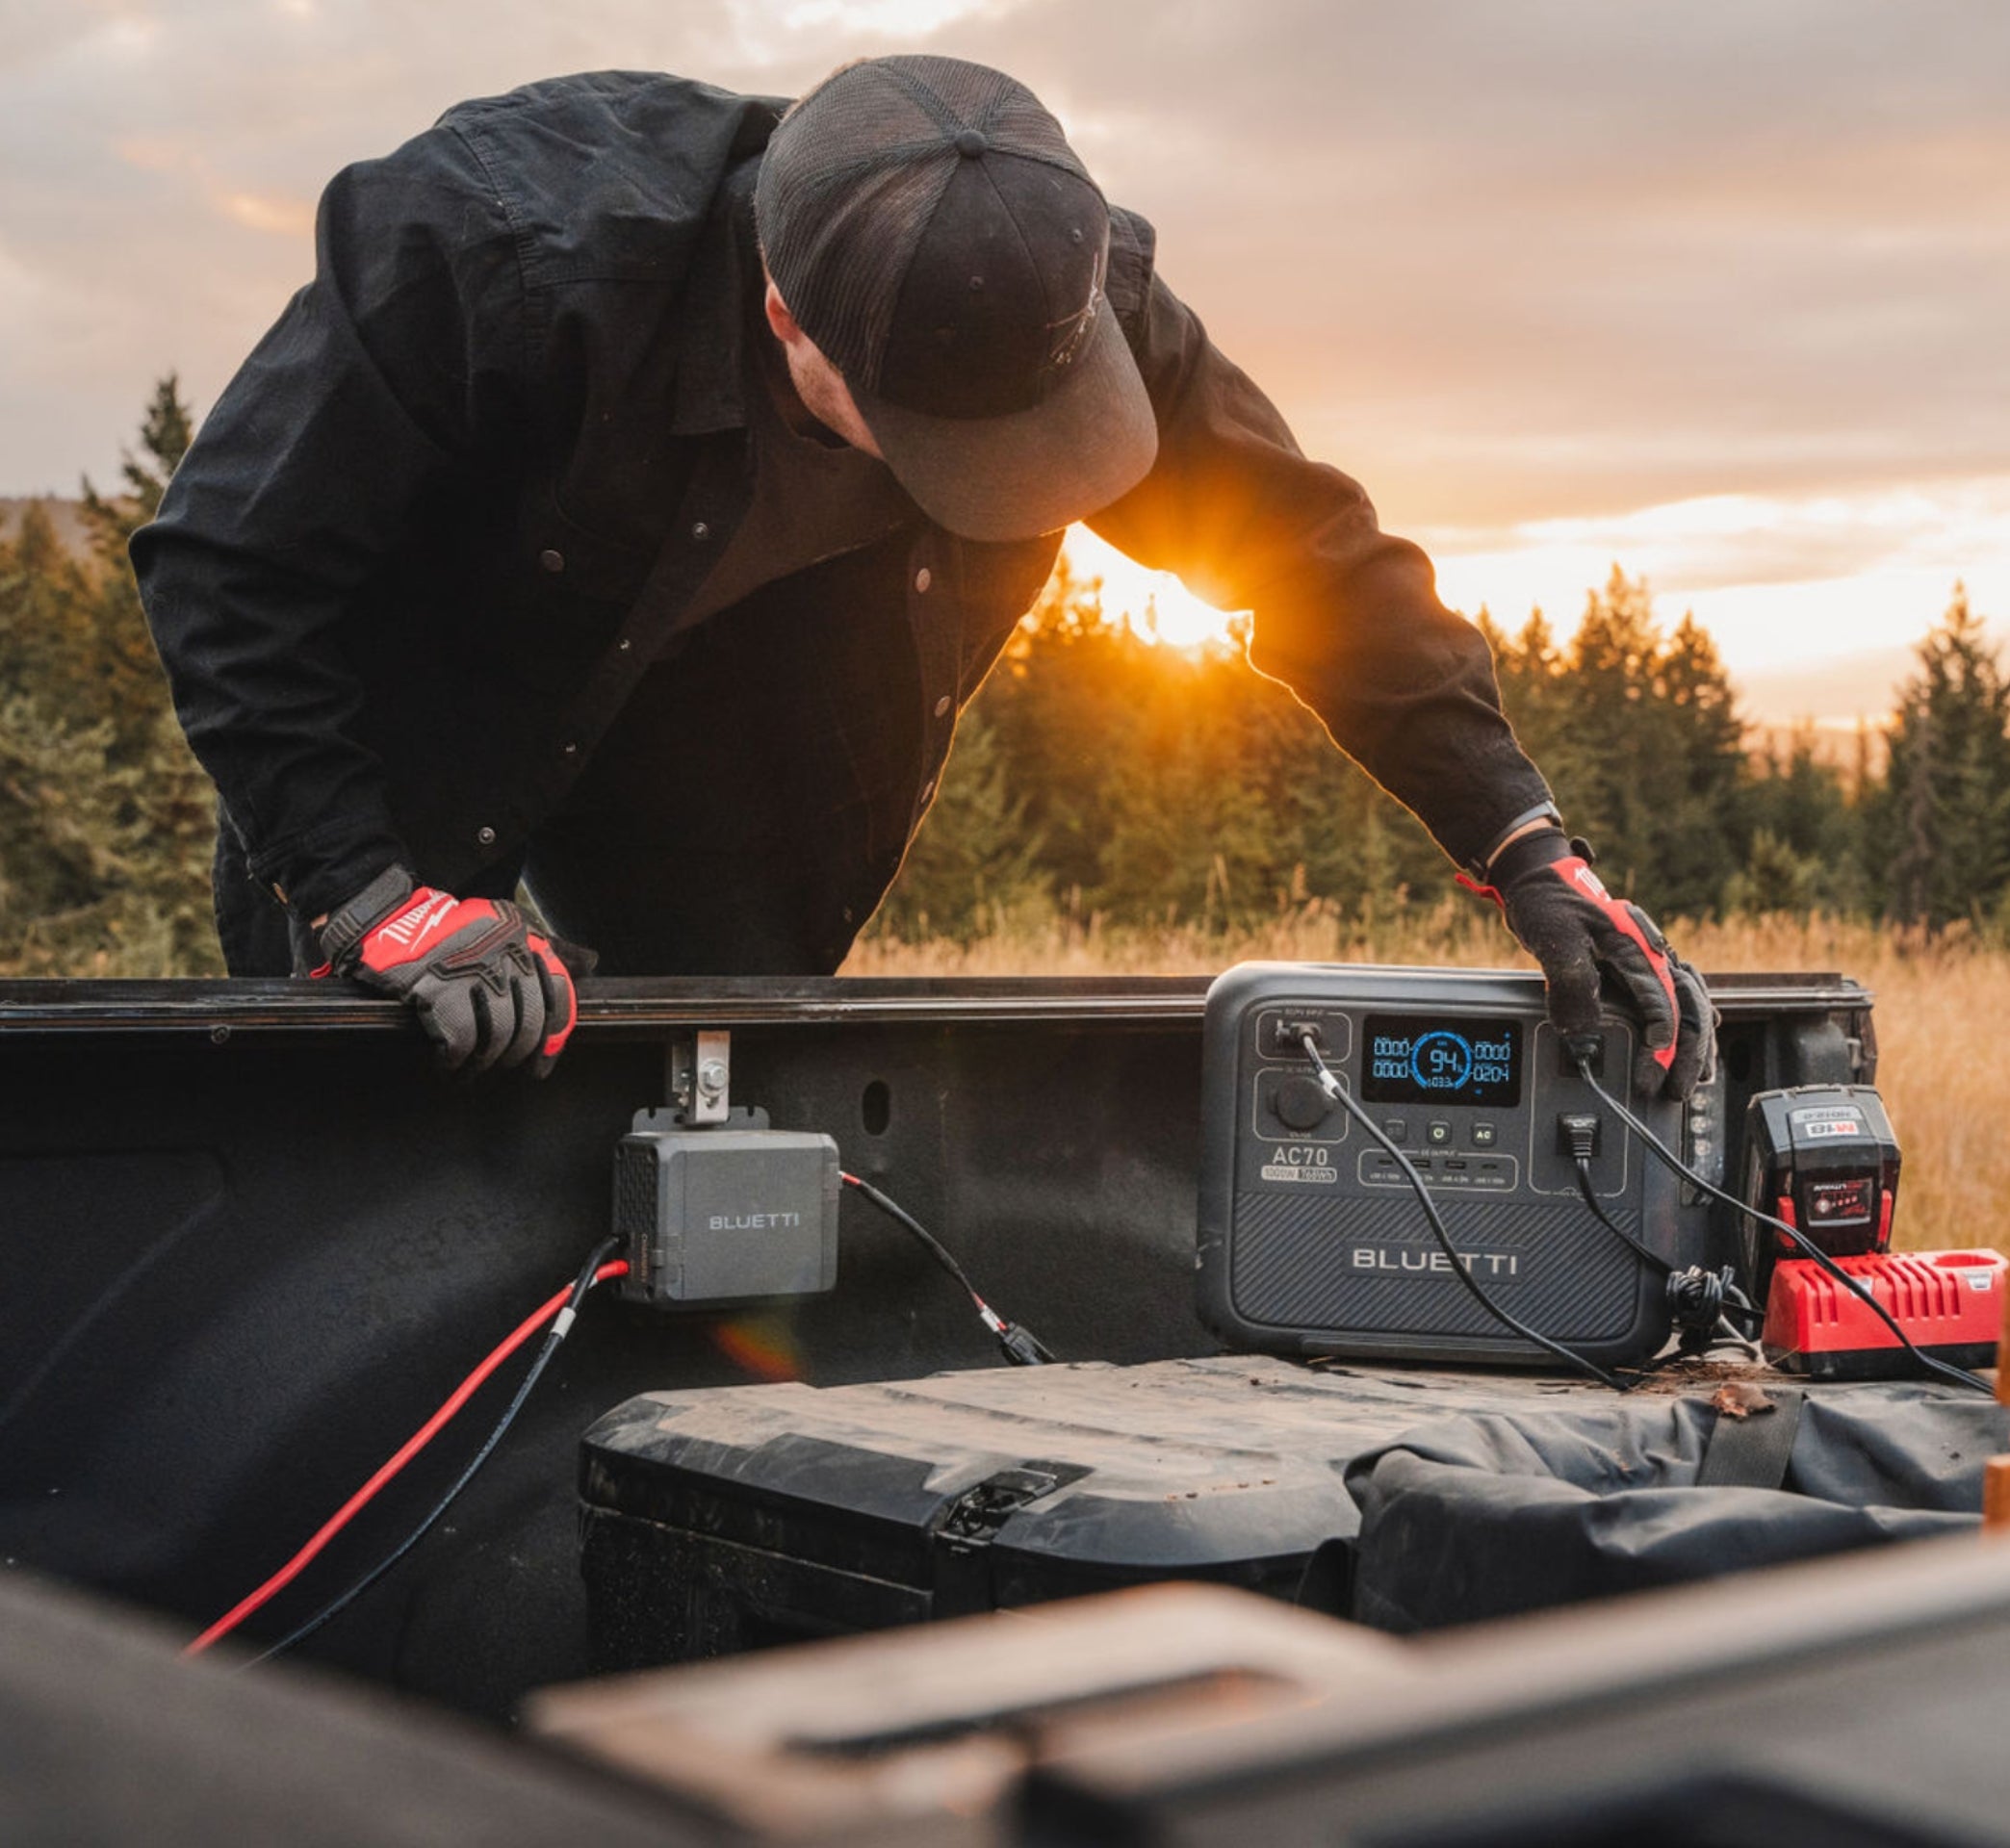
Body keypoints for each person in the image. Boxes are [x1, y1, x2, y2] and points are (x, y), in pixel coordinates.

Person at [135, 54, 1711, 1091]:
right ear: (785, 321)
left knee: (700, 1136)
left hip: (729, 771)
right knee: (388, 1145)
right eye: (947, 441)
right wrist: (368, 893)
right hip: (418, 739)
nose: (1007, 474)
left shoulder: (1052, 282)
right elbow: (229, 563)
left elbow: (1307, 556)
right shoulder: (498, 249)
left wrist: (1522, 840)